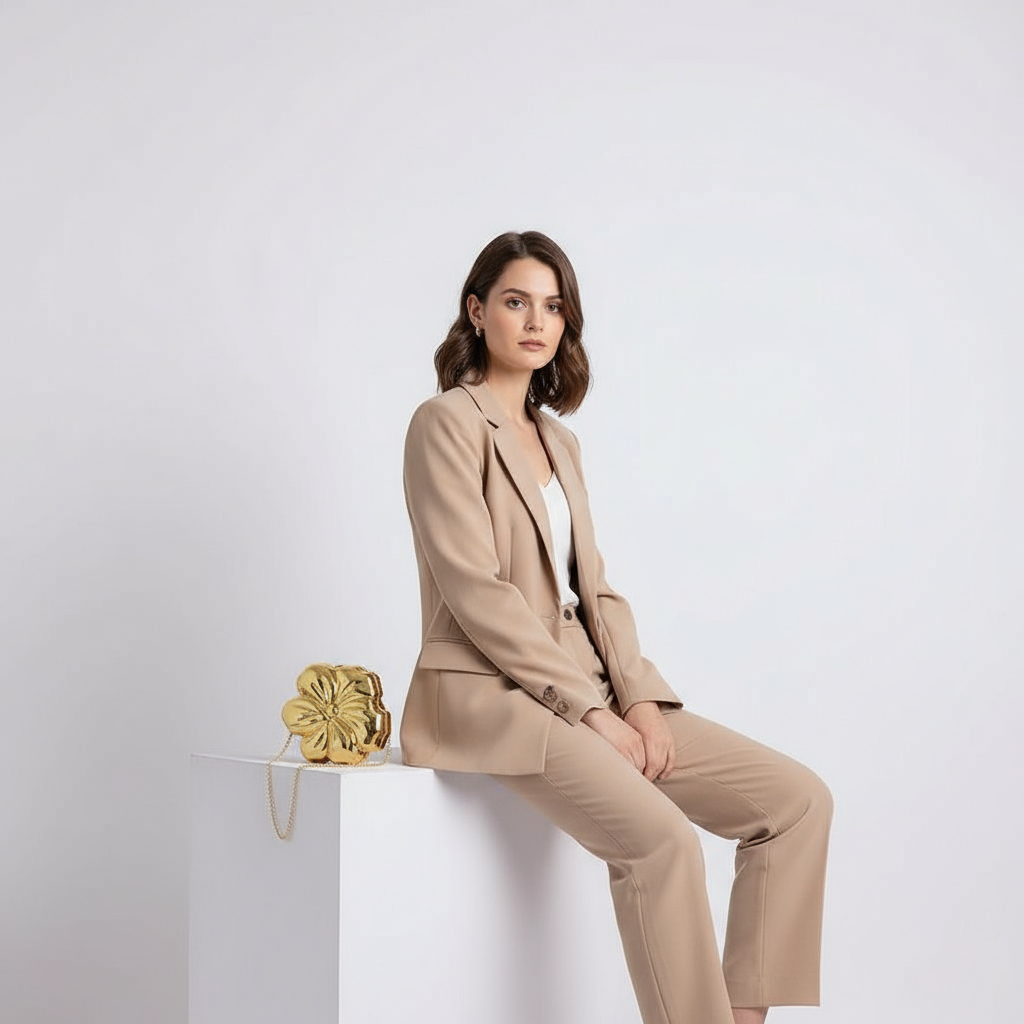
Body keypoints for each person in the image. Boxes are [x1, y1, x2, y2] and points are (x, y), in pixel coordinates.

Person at [399, 229, 834, 1024]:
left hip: (588, 683)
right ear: (477, 312)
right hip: (491, 693)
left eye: (554, 306)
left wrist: (634, 698)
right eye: (516, 301)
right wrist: (590, 711)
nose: (537, 321)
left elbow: (593, 591)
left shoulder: (557, 440)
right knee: (661, 843)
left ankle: (740, 1017)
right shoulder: (444, 424)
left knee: (796, 802)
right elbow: (477, 592)